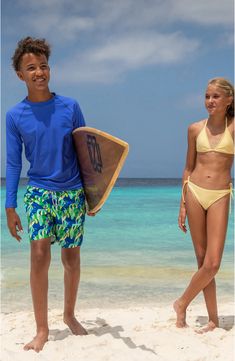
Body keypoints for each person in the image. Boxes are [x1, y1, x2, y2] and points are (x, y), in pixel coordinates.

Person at [5, 36, 94, 352]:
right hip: (39, 191)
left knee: (71, 257)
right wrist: (10, 205)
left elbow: (87, 153)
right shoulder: (15, 116)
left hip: (72, 192)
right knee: (39, 255)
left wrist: (94, 195)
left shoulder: (70, 106)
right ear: (21, 75)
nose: (39, 72)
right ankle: (42, 329)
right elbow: (14, 162)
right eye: (31, 68)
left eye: (43, 66)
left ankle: (69, 315)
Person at [174, 77, 234, 333]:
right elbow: (188, 167)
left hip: (221, 194)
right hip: (195, 193)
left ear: (229, 100)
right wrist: (183, 204)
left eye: (216, 97)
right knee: (202, 261)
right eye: (207, 96)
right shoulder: (194, 129)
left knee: (213, 263)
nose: (210, 101)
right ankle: (213, 319)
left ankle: (181, 302)